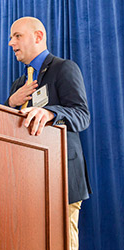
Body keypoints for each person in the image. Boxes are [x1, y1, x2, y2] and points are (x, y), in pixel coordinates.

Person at [6, 17, 91, 250]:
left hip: (60, 177)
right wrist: (10, 102)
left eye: (17, 36)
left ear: (38, 36)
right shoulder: (18, 84)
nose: (11, 43)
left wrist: (50, 113)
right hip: (25, 180)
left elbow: (82, 115)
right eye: (12, 37)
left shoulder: (64, 68)